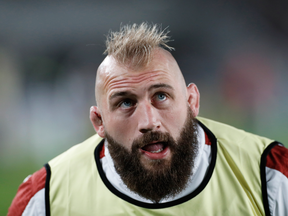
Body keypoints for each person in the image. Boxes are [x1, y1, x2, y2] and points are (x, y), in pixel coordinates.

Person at [8, 23, 288, 216]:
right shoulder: (46, 196)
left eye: (161, 96)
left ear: (192, 102)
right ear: (99, 122)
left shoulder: (270, 174)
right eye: (126, 103)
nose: (149, 121)